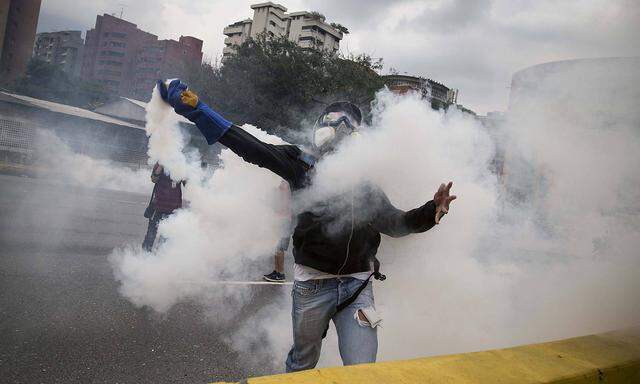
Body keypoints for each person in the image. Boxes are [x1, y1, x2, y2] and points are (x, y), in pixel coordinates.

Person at [157, 79, 457, 371]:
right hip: (313, 285)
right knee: (303, 364)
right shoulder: (301, 163)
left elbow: (396, 223)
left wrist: (432, 211)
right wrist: (197, 109)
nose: (340, 130)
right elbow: (251, 147)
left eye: (348, 125)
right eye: (334, 122)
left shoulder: (365, 184)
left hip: (358, 285)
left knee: (363, 371)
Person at [142, 163, 184, 251]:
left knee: (166, 236)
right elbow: (154, 179)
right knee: (151, 233)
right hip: (157, 206)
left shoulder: (181, 163)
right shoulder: (160, 161)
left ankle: (160, 258)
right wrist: (161, 164)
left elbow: (187, 183)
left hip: (173, 207)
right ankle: (144, 255)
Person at [263, 181, 292, 283]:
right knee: (277, 247)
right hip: (281, 218)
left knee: (279, 247)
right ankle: (277, 271)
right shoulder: (284, 184)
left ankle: (280, 273)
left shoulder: (286, 184)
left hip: (284, 219)